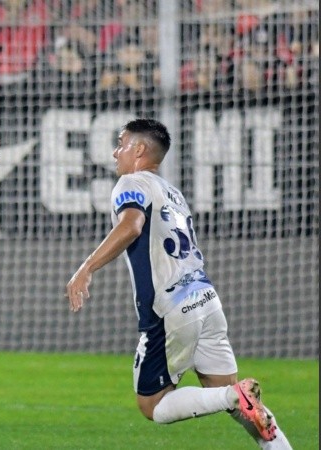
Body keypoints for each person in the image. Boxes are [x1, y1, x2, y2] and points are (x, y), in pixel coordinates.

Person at [65, 119, 291, 448]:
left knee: (153, 405)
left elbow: (131, 225)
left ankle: (234, 394)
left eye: (120, 143)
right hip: (207, 300)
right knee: (241, 406)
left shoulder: (132, 182)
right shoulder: (172, 191)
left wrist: (87, 267)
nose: (115, 152)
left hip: (172, 309)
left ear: (139, 150)